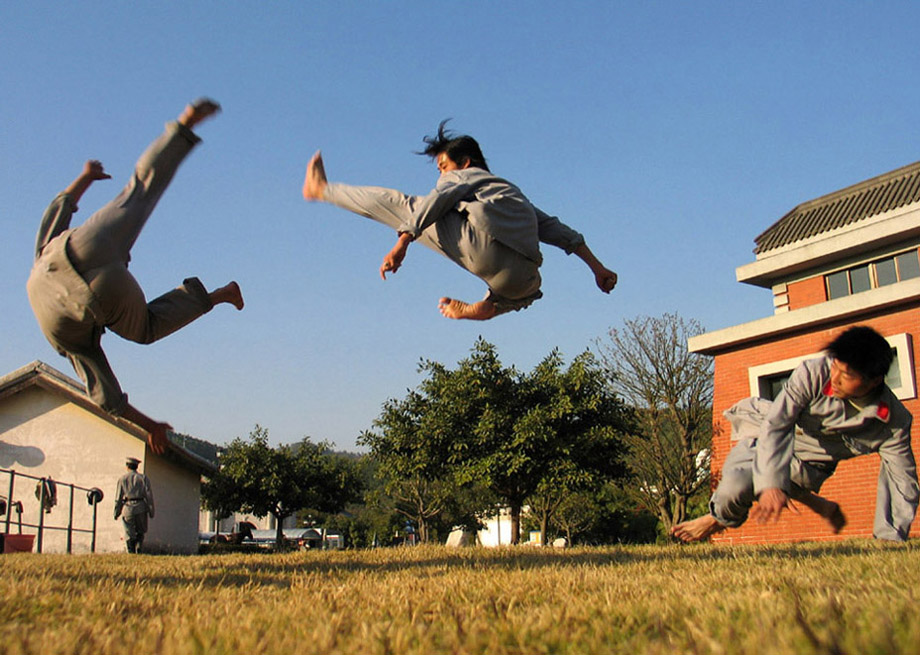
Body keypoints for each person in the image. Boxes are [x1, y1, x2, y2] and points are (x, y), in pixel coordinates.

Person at [26, 99, 244, 455]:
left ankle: (219, 295)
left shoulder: (71, 346)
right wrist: (87, 176)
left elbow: (106, 398)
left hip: (96, 297)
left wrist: (151, 426)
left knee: (145, 330)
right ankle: (184, 125)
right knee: (139, 189)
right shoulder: (37, 257)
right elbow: (61, 206)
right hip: (78, 246)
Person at [302, 120, 617, 320]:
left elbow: (437, 201)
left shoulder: (464, 176)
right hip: (526, 278)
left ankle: (321, 190)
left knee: (405, 205)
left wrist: (403, 241)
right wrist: (597, 268)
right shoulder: (512, 194)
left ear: (464, 163)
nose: (440, 173)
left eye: (442, 166)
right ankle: (491, 306)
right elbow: (558, 231)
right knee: (525, 291)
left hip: (487, 255)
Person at [671, 326, 919, 543]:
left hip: (809, 466)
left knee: (782, 481)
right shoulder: (813, 373)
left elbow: (902, 481)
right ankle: (718, 519)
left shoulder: (892, 423)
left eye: (847, 376)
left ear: (874, 381)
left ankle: (807, 499)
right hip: (767, 441)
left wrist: (892, 536)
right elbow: (777, 424)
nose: (835, 379)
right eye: (835, 366)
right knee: (733, 490)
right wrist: (770, 483)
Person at [114, 456, 155, 554]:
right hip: (141, 506)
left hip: (128, 507)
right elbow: (149, 496)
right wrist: (151, 511)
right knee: (141, 531)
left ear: (127, 466)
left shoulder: (122, 479)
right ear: (137, 467)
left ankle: (131, 551)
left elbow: (118, 498)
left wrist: (116, 512)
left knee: (129, 531)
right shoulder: (143, 478)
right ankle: (139, 547)